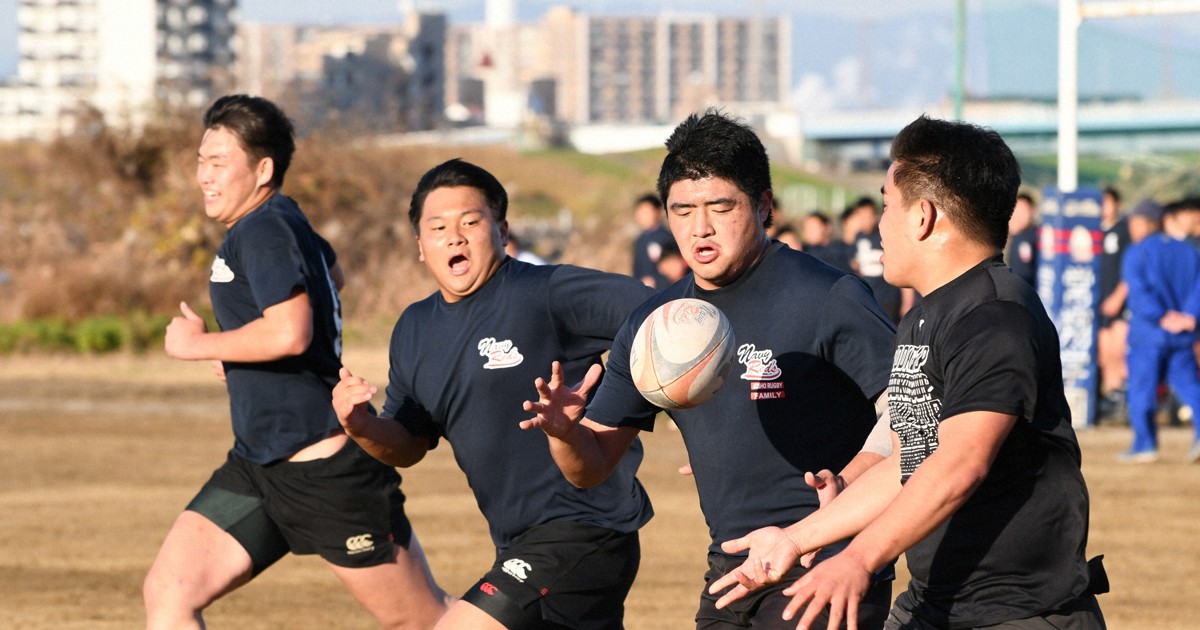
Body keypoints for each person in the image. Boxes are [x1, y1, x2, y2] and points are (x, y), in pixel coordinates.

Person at [706, 114, 1107, 630]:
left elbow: (960, 463)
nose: (878, 223)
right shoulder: (924, 317)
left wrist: (859, 558)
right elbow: (909, 461)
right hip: (934, 605)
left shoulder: (994, 317)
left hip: (1019, 614)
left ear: (922, 217)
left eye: (886, 204)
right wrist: (797, 537)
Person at [522, 109, 898, 630]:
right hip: (730, 569)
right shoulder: (654, 328)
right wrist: (565, 433)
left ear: (763, 205)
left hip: (822, 563)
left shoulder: (828, 296)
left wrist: (848, 490)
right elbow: (588, 468)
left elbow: (911, 417)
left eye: (721, 207)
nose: (699, 228)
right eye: (682, 211)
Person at [143, 94, 448, 630]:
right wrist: (243, 353)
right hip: (258, 467)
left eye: (219, 163)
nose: (204, 176)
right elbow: (330, 275)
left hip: (325, 471)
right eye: (200, 160)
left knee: (424, 621)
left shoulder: (261, 229)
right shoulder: (281, 218)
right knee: (169, 592)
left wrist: (200, 345)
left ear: (263, 170)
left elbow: (290, 330)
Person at [332, 158, 656, 629]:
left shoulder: (546, 292)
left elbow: (662, 317)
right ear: (421, 246)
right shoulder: (413, 330)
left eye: (470, 221)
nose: (454, 236)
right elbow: (407, 443)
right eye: (437, 226)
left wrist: (620, 408)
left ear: (502, 230)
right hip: (517, 540)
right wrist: (361, 425)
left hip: (585, 529)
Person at [1120, 197, 1200, 463]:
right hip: (1183, 334)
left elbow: (1140, 295)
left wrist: (1163, 316)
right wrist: (1188, 317)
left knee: (1142, 389)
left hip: (1148, 333)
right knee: (1190, 387)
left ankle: (1145, 445)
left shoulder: (1137, 252)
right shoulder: (1189, 251)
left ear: (1146, 223)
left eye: (1134, 221)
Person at [1097, 187, 1132, 421]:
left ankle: (1126, 400)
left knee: (1119, 352)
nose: (1103, 207)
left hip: (1120, 305)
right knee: (1105, 354)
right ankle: (1112, 399)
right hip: (1099, 304)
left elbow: (1132, 271)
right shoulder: (1092, 232)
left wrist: (1119, 296)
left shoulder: (1124, 231)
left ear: (1116, 204)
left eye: (1107, 202)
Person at [849, 197, 904, 323]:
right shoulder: (858, 237)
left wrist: (907, 301)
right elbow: (855, 263)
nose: (865, 221)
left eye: (868, 216)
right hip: (868, 298)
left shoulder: (884, 235)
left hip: (888, 298)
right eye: (861, 217)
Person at [631, 192, 676, 288]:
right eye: (640, 212)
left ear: (657, 211)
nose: (642, 216)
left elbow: (676, 269)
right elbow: (636, 270)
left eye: (646, 212)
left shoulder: (667, 237)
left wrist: (656, 281)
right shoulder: (639, 241)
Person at [1005, 191, 1039, 286]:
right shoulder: (1015, 238)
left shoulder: (1025, 239)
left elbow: (1022, 275)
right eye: (1015, 211)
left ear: (1033, 212)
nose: (1017, 216)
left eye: (1022, 212)